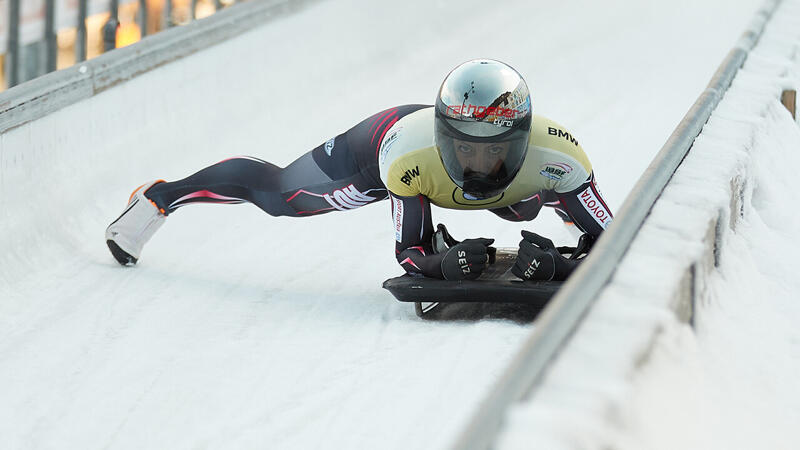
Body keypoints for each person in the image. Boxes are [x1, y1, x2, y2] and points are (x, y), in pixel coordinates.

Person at [106, 59, 612, 282]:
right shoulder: (409, 159)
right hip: (378, 150)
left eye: (492, 151)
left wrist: (565, 263)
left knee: (523, 205)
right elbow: (408, 256)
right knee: (282, 196)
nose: (477, 165)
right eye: (464, 149)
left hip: (503, 181)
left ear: (521, 142)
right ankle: (159, 196)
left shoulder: (559, 160)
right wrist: (442, 262)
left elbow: (619, 242)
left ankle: (559, 211)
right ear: (442, 138)